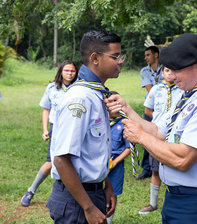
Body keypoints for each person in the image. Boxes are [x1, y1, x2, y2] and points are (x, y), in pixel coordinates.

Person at [105, 33, 197, 223]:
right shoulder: (187, 95)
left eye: (176, 69)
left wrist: (141, 137)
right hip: (176, 198)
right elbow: (158, 131)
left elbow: (183, 159)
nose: (171, 75)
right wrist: (126, 109)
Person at [47, 30, 124, 223]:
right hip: (77, 202)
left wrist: (106, 185)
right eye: (115, 56)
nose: (120, 61)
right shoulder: (80, 98)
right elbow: (61, 159)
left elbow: (92, 151)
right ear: (95, 58)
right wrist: (88, 207)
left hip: (93, 191)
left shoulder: (96, 94)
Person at [21, 60, 78, 207]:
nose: (70, 73)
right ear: (60, 72)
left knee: (74, 162)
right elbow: (46, 109)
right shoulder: (52, 88)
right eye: (67, 71)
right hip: (56, 128)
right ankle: (31, 191)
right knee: (51, 162)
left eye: (72, 71)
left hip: (74, 128)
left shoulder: (79, 88)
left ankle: (74, 196)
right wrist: (45, 130)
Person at [139, 66, 183, 214]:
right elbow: (147, 110)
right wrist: (159, 124)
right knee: (155, 170)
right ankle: (153, 203)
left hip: (176, 136)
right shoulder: (155, 90)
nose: (170, 73)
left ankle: (177, 201)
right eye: (167, 71)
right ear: (162, 73)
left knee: (177, 167)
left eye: (173, 70)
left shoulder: (183, 90)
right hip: (157, 134)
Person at [137, 46, 164, 180]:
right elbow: (151, 90)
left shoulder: (166, 69)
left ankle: (163, 166)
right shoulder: (144, 71)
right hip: (151, 108)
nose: (146, 57)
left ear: (156, 55)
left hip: (164, 109)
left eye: (148, 55)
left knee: (163, 137)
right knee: (147, 138)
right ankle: (147, 168)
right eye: (145, 55)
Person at [106, 93, 131, 224]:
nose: (115, 107)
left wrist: (115, 162)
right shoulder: (99, 121)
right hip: (99, 163)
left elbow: (128, 148)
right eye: (112, 104)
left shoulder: (124, 123)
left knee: (112, 193)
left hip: (116, 164)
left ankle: (109, 220)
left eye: (118, 104)